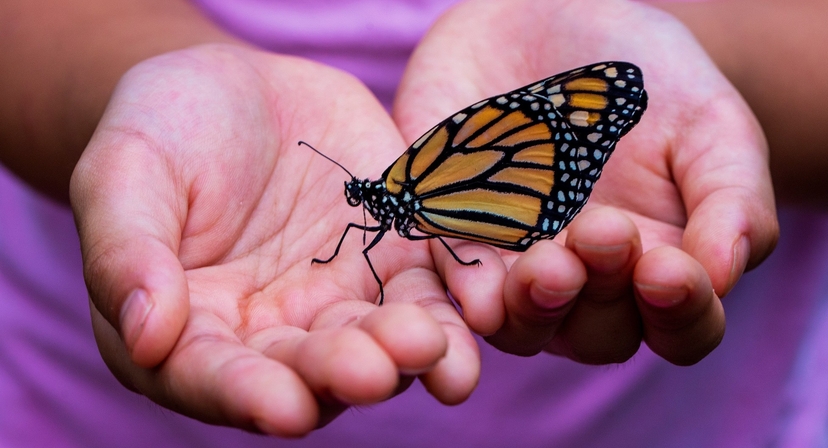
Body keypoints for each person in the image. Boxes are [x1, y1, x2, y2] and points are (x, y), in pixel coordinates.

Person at [3, 0, 821, 445]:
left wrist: (722, 56)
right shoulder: (397, 197)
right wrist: (138, 85)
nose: (366, 205)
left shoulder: (414, 186)